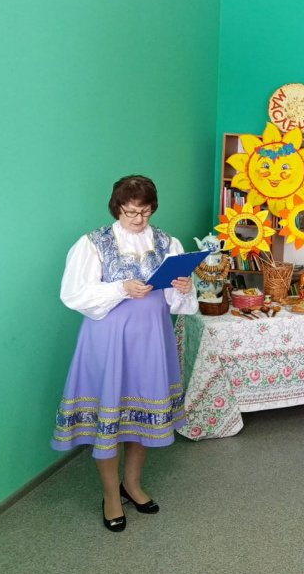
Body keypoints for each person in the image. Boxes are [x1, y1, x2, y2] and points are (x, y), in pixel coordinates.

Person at [52, 175, 198, 532]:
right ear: (117, 207)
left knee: (140, 415)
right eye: (131, 211)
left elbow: (178, 302)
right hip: (108, 340)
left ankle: (131, 484)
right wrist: (120, 288)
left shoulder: (168, 242)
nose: (138, 219)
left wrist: (183, 286)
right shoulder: (93, 243)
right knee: (110, 414)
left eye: (145, 212)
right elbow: (73, 294)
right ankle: (110, 496)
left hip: (152, 339)